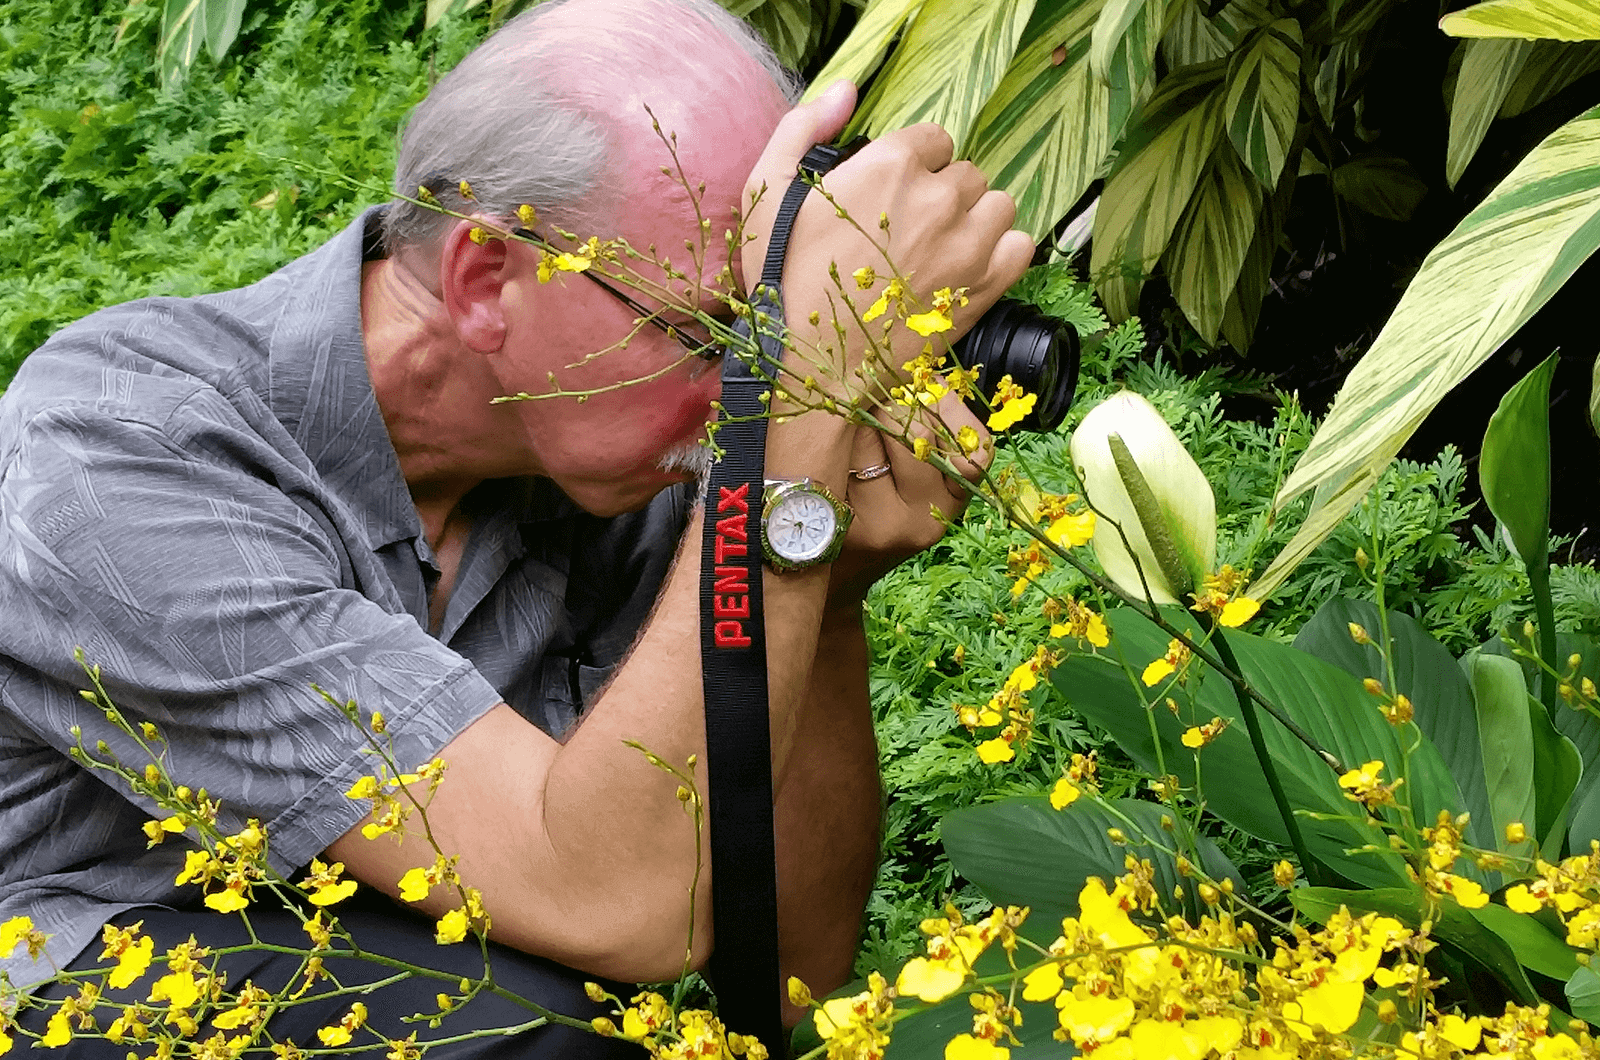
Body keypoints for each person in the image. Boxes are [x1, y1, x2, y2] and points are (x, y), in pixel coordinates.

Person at [0, 0, 1032, 1051]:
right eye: (714, 330)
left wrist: (828, 575)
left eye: (759, 343)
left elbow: (789, 980)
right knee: (530, 1034)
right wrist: (796, 409)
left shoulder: (621, 455)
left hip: (393, 932)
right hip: (71, 952)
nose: (739, 396)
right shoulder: (114, 450)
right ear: (488, 278)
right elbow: (612, 903)